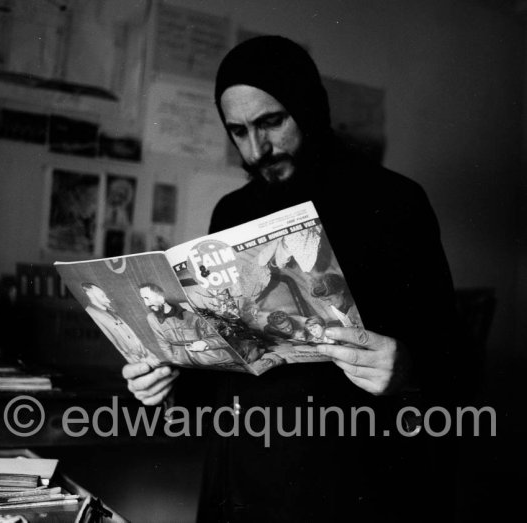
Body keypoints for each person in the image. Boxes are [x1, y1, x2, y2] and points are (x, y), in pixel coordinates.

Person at [123, 36, 461, 522]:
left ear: (308, 107)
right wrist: (169, 378)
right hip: (242, 470)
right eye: (237, 131)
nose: (257, 149)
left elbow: (454, 359)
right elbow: (228, 355)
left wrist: (406, 369)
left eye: (271, 123)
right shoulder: (232, 211)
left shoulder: (396, 202)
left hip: (350, 473)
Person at [138, 282, 236, 367]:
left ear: (161, 298)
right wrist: (173, 360)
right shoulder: (152, 318)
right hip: (184, 363)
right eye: (143, 299)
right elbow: (163, 343)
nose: (146, 304)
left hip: (213, 361)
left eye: (147, 298)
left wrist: (205, 343)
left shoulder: (193, 314)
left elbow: (223, 339)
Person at [81, 282, 159, 365]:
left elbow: (131, 337)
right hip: (133, 365)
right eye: (102, 295)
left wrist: (148, 355)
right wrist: (139, 362)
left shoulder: (109, 310)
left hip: (145, 358)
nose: (107, 300)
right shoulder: (91, 315)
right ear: (89, 294)